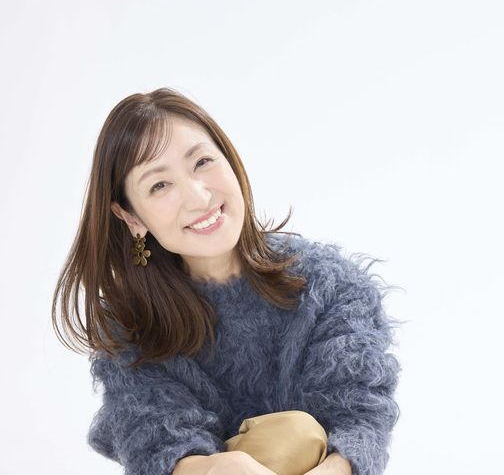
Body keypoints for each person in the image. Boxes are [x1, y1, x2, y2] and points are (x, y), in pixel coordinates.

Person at [50, 87, 403, 475]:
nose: (198, 197)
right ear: (131, 216)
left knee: (299, 436)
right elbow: (158, 446)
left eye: (202, 162)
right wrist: (218, 467)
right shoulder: (133, 327)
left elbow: (360, 422)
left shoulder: (330, 287)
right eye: (159, 185)